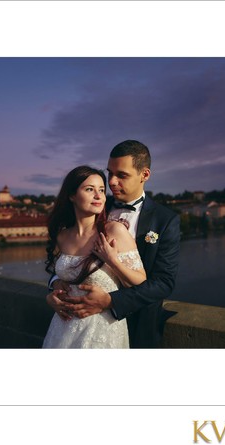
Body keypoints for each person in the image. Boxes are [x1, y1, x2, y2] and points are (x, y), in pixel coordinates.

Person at [51, 140, 181, 348]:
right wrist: (54, 285)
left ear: (144, 175)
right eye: (110, 173)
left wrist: (111, 301)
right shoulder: (93, 205)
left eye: (121, 175)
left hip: (138, 324)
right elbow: (67, 259)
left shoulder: (165, 221)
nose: (111, 182)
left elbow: (164, 283)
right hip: (76, 325)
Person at [43, 166, 147, 348]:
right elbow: (60, 276)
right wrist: (51, 295)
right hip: (62, 327)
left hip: (102, 330)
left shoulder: (115, 231)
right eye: (90, 189)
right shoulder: (62, 236)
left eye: (101, 190)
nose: (99, 196)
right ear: (72, 195)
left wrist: (112, 260)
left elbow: (140, 281)